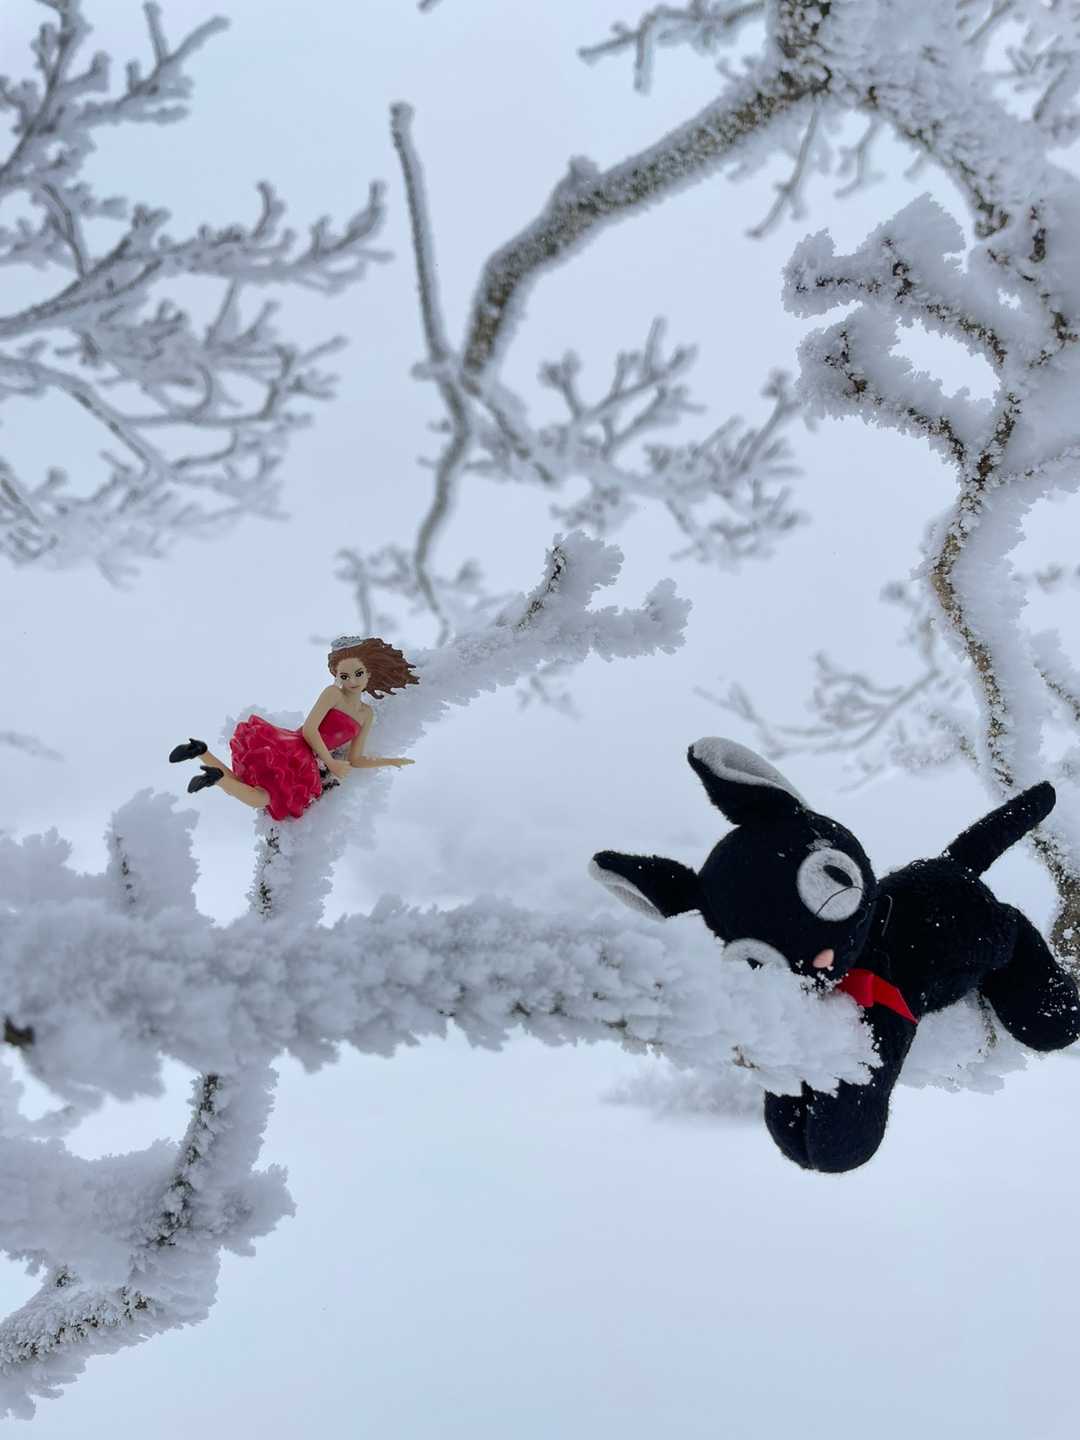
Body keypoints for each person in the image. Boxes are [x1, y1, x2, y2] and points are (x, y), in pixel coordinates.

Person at [169, 635, 418, 822]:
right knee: (262, 798)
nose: (351, 681)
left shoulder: (366, 714)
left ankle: (202, 753)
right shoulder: (333, 694)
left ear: (369, 673)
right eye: (344, 676)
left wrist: (390, 761)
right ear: (336, 676)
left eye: (358, 674)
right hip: (296, 747)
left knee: (250, 788)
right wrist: (331, 763)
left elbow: (355, 759)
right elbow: (310, 730)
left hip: (306, 758)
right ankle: (213, 772)